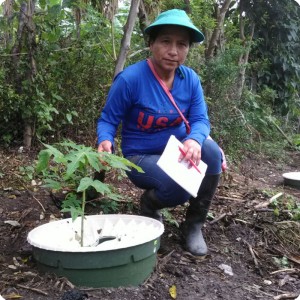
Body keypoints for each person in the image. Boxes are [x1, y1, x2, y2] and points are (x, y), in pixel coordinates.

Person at [97, 9, 226, 256]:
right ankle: (150, 203)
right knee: (179, 183)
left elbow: (200, 119)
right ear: (151, 43)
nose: (173, 51)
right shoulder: (130, 79)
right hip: (140, 157)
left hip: (175, 152)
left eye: (182, 44)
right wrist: (105, 140)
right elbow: (108, 120)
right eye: (166, 41)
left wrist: (194, 140)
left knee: (211, 151)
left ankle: (194, 224)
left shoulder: (190, 80)